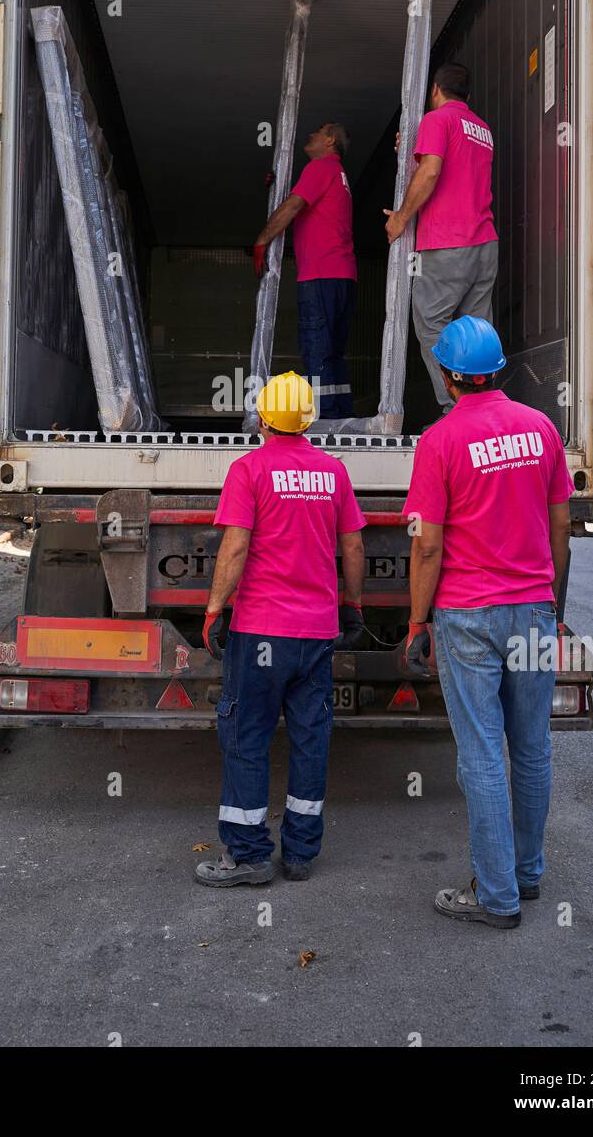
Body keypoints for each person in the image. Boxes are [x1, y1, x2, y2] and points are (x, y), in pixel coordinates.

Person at [401, 316, 573, 929]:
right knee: (531, 749)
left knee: (480, 756)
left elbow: (426, 545)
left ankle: (495, 896)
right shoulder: (541, 429)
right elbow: (560, 531)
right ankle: (526, 876)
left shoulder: (440, 442)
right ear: (496, 369)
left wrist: (417, 621)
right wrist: (553, 605)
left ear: (449, 376)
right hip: (532, 609)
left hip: (468, 615)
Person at [195, 370, 366, 887]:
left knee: (248, 738)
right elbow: (353, 546)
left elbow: (236, 545)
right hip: (316, 633)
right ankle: (299, 855)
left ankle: (247, 856)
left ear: (264, 418)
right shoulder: (333, 472)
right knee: (311, 739)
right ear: (308, 420)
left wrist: (214, 609)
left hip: (261, 633)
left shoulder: (249, 470)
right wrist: (352, 605)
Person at [384, 64, 497, 416]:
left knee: (432, 324)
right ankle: (486, 410)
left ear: (435, 90)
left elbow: (432, 170)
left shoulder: (437, 120)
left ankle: (455, 409)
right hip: (485, 243)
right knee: (477, 333)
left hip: (448, 242)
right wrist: (410, 152)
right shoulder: (482, 128)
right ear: (469, 96)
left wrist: (401, 218)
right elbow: (451, 170)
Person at [253, 123, 356, 419]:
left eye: (319, 130)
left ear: (330, 140)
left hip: (321, 275)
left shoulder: (320, 168)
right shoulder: (338, 174)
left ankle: (323, 423)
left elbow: (293, 206)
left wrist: (262, 239)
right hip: (343, 276)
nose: (311, 134)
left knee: (317, 349)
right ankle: (339, 417)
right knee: (333, 353)